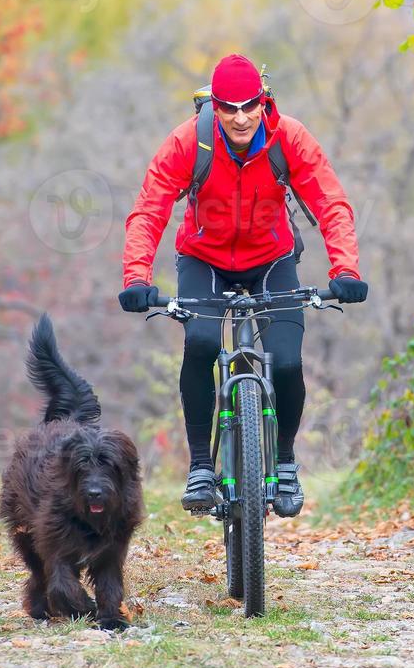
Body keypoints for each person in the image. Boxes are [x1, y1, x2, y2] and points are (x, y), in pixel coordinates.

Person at [117, 53, 368, 516]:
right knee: (202, 344)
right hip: (204, 260)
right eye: (228, 107)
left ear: (263, 101)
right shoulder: (189, 142)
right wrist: (137, 277)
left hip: (272, 260)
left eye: (249, 105)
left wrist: (345, 270)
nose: (240, 117)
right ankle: (199, 466)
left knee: (288, 362)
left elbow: (331, 201)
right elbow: (149, 209)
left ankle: (286, 461)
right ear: (214, 105)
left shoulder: (287, 137)